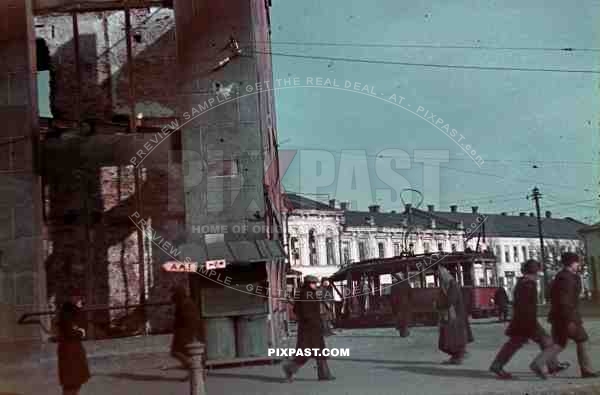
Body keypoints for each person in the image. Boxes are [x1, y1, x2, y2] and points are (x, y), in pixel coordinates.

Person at [489, 259, 568, 380]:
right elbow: (527, 306)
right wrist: (531, 323)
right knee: (546, 342)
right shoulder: (528, 285)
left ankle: (553, 365)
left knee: (516, 344)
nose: (538, 276)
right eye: (537, 273)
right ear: (533, 272)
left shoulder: (522, 283)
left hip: (522, 320)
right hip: (527, 322)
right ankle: (548, 365)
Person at [549, 252, 599, 378]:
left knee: (559, 343)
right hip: (568, 316)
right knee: (582, 339)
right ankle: (587, 370)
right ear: (572, 263)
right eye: (577, 262)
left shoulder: (562, 276)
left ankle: (544, 364)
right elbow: (565, 301)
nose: (579, 264)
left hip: (560, 316)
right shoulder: (567, 278)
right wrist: (570, 320)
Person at [282, 275, 335, 382]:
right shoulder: (306, 294)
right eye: (313, 283)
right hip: (309, 328)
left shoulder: (305, 293)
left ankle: (324, 374)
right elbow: (305, 312)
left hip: (312, 327)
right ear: (308, 284)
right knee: (305, 353)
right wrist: (311, 319)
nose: (315, 285)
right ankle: (289, 368)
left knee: (319, 352)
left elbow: (296, 310)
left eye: (315, 283)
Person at [435, 266, 472, 364]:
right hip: (450, 316)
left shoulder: (452, 285)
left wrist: (438, 304)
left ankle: (458, 356)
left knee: (451, 339)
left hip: (454, 316)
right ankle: (457, 355)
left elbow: (450, 300)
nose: (439, 278)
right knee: (447, 340)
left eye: (440, 276)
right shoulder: (446, 285)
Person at [57, 302, 91, 395]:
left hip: (72, 352)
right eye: (79, 300)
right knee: (72, 384)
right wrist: (81, 332)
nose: (81, 303)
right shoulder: (68, 316)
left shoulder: (68, 315)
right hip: (71, 353)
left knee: (73, 383)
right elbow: (71, 332)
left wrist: (80, 331)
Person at [170, 285, 205, 369]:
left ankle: (191, 365)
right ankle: (193, 370)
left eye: (173, 294)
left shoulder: (185, 304)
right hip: (185, 333)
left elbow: (189, 321)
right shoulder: (184, 303)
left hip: (185, 333)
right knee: (186, 353)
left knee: (176, 352)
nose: (171, 296)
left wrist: (193, 335)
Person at [390, 272, 412, 337]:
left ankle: (402, 332)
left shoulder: (394, 285)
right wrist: (409, 302)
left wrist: (393, 305)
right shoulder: (406, 283)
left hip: (398, 304)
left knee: (400, 318)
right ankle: (404, 331)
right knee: (405, 318)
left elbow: (392, 297)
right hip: (405, 304)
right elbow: (410, 294)